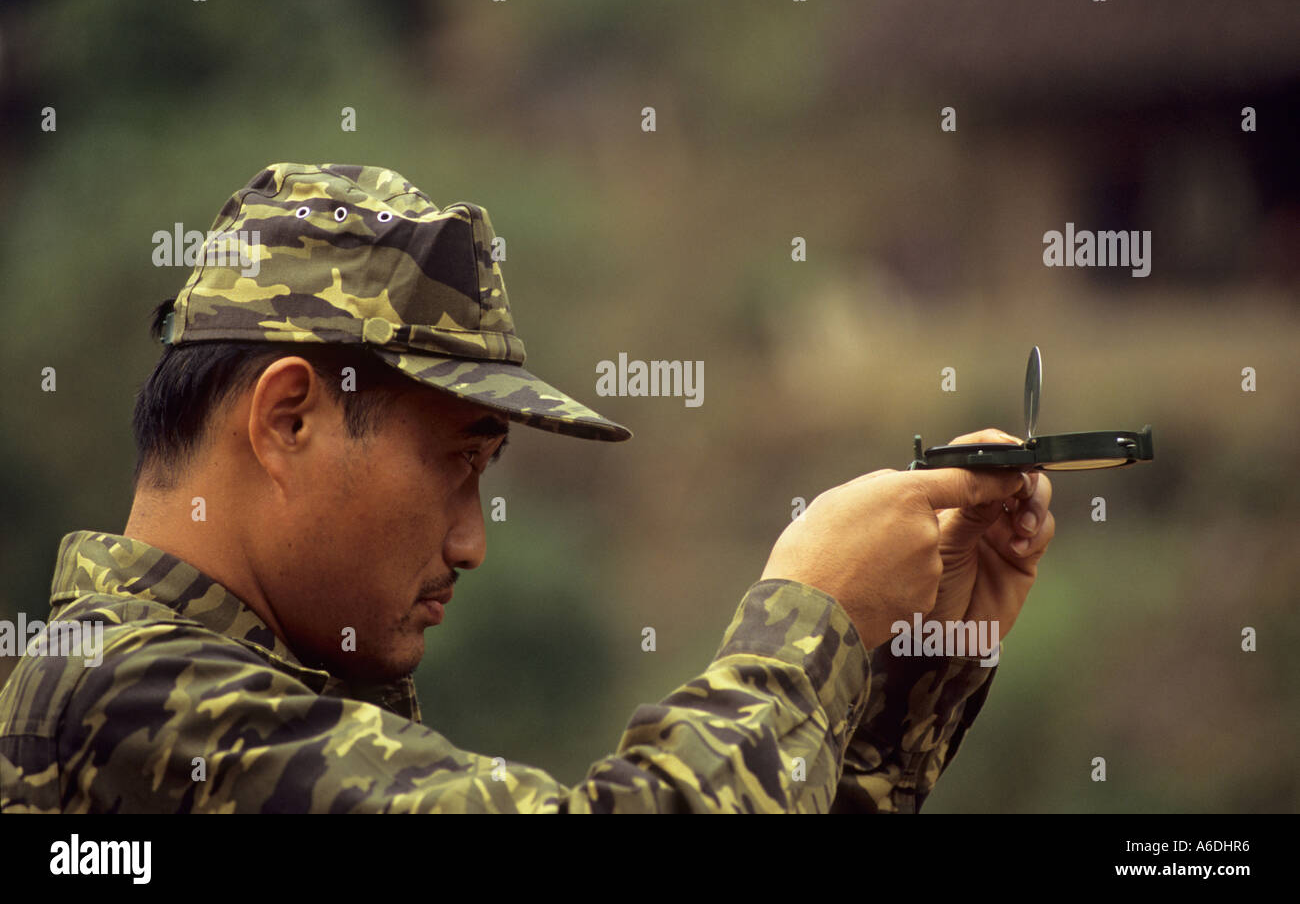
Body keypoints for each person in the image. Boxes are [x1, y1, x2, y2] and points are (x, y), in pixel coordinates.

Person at [0, 162, 1053, 813]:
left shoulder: (255, 701)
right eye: (457, 463)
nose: (472, 543)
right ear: (287, 420)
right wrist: (809, 620)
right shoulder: (123, 705)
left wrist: (904, 668)